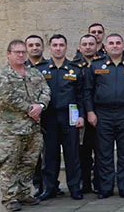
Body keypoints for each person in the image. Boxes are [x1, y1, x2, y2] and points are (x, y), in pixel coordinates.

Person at [0, 40, 50, 211]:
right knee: (9, 163)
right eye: (17, 52)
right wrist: (30, 108)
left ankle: (24, 193)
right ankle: (10, 198)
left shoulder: (34, 73)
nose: (20, 55)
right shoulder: (2, 75)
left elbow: (46, 91)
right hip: (10, 129)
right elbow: (7, 97)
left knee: (29, 162)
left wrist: (41, 106)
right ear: (8, 54)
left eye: (23, 52)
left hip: (32, 128)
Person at [84, 33, 124, 198]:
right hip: (103, 114)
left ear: (123, 46)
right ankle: (106, 188)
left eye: (118, 43)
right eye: (111, 43)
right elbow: (88, 91)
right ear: (105, 47)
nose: (115, 46)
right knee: (104, 153)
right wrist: (90, 111)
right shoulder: (96, 66)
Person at [35, 35, 86, 200]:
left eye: (61, 45)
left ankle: (74, 188)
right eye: (55, 45)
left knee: (72, 154)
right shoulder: (41, 69)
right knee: (50, 154)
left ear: (66, 48)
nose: (58, 48)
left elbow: (81, 95)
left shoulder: (75, 69)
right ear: (50, 48)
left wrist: (81, 116)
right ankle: (49, 188)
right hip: (48, 117)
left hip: (69, 116)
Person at [75, 34, 102, 194]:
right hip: (81, 115)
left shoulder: (103, 63)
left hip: (99, 114)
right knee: (83, 152)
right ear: (80, 47)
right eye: (84, 44)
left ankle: (99, 183)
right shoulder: (74, 66)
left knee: (101, 151)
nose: (88, 47)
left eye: (91, 44)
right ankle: (84, 184)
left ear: (97, 46)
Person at [23, 34, 46, 195]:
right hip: (26, 118)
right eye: (31, 45)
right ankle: (37, 185)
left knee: (48, 153)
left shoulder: (49, 66)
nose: (34, 48)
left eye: (37, 45)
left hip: (47, 116)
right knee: (32, 155)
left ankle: (50, 185)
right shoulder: (19, 67)